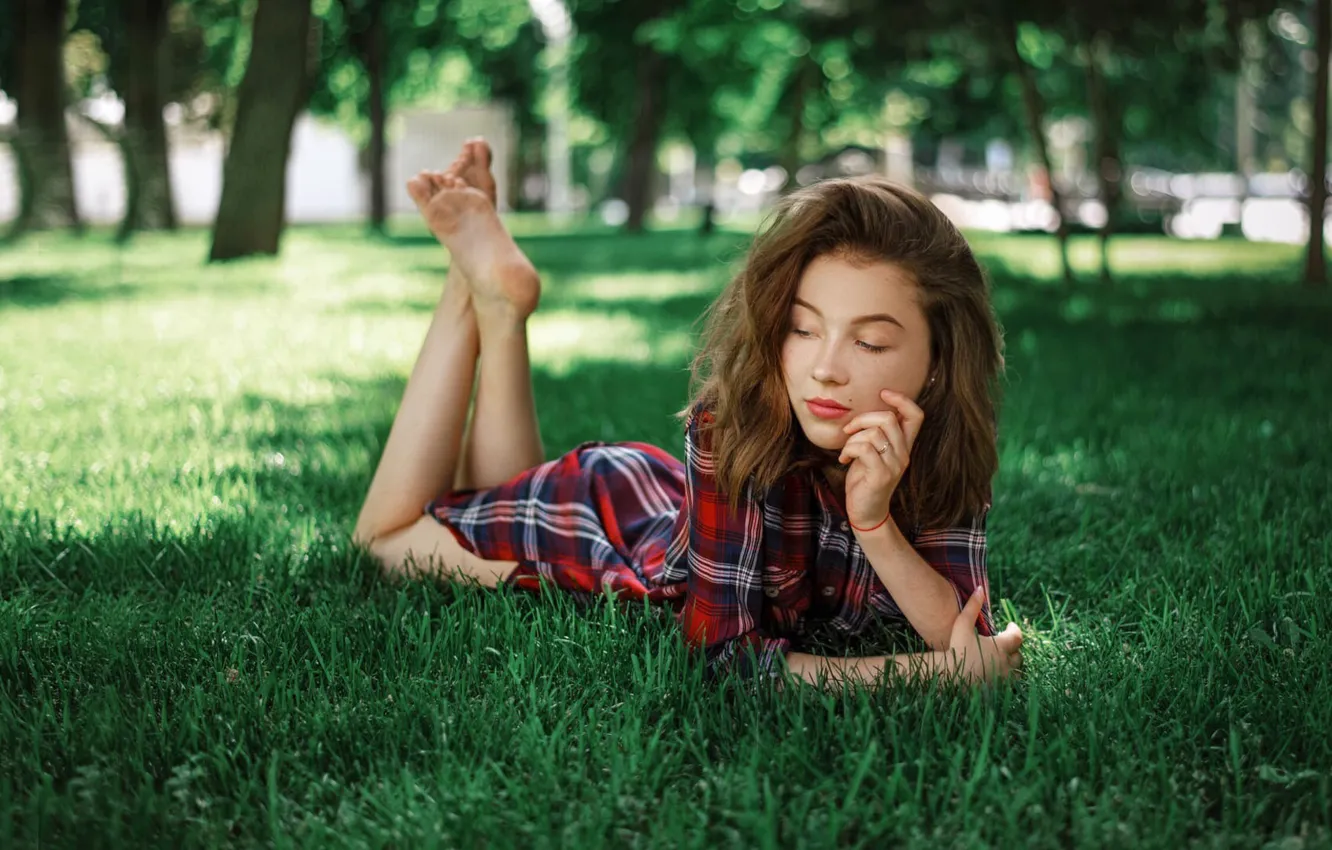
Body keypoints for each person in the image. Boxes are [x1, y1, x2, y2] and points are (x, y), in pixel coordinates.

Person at [352, 138, 1025, 692]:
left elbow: (961, 627)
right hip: (603, 539)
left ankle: (498, 306)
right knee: (382, 542)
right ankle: (463, 288)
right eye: (802, 329)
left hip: (652, 502)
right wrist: (929, 676)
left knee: (490, 497)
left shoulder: (941, 439)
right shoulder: (731, 428)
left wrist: (874, 523)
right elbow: (724, 659)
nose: (825, 368)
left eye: (870, 341)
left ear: (937, 362)